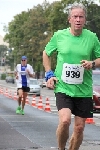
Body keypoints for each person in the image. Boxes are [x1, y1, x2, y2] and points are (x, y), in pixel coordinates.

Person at [43, 3, 100, 150]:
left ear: (85, 19)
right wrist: (49, 73)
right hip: (63, 87)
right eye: (75, 16)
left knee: (79, 128)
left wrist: (92, 63)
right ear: (69, 19)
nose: (78, 19)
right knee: (65, 121)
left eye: (81, 16)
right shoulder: (59, 36)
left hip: (84, 90)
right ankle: (61, 148)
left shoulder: (92, 38)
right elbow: (46, 53)